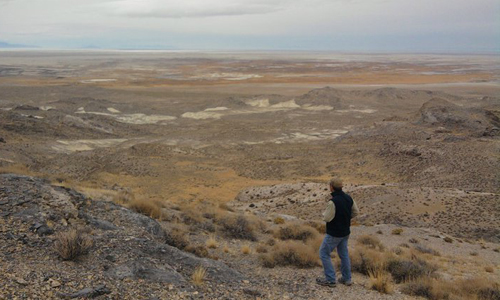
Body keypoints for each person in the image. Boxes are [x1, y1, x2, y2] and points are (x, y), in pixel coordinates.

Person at [316, 178, 359, 287]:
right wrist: (346, 218)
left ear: (331, 187)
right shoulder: (349, 198)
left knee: (324, 253)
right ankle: (347, 278)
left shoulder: (333, 202)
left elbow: (327, 218)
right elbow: (355, 212)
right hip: (345, 232)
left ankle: (330, 279)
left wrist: (324, 214)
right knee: (344, 254)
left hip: (334, 233)